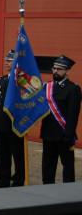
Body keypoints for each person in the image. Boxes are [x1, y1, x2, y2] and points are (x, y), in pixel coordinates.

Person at [40, 55, 81, 184]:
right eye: (54, 68)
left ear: (67, 71)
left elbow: (73, 114)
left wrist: (69, 134)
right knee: (47, 165)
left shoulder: (73, 89)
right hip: (48, 133)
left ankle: (67, 191)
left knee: (67, 166)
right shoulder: (47, 86)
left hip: (64, 135)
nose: (56, 71)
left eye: (59, 69)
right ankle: (47, 188)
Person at [0, 50, 26, 188]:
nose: (6, 63)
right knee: (2, 154)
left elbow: (26, 102)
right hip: (0, 123)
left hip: (15, 124)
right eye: (6, 60)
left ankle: (18, 180)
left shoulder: (21, 80)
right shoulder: (2, 79)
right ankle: (3, 180)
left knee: (18, 155)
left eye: (9, 61)